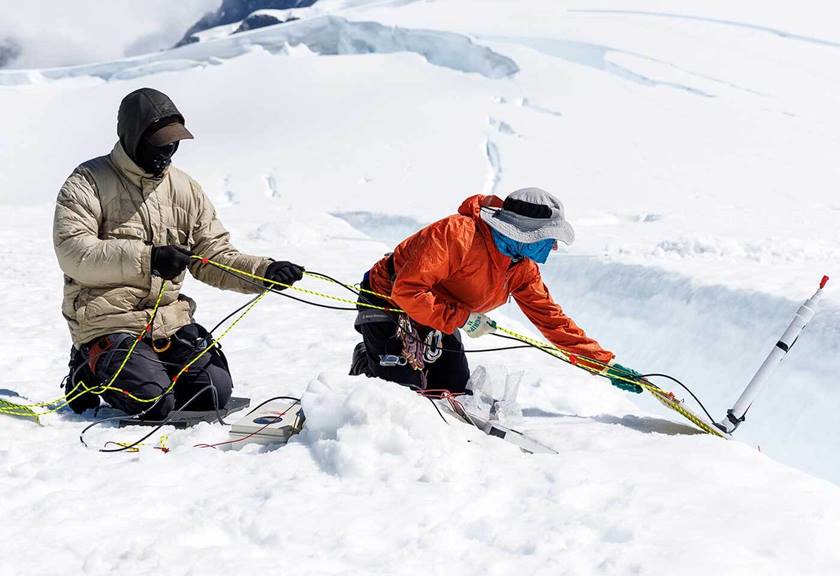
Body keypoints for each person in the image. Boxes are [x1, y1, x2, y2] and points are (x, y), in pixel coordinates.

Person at [54, 87, 305, 419]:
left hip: (168, 322)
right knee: (152, 402)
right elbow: (75, 254)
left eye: (174, 141)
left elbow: (212, 254)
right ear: (134, 137)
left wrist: (264, 271)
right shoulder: (87, 182)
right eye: (160, 142)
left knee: (214, 392)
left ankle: (154, 370)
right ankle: (87, 369)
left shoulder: (185, 188)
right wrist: (149, 260)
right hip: (106, 320)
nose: (169, 150)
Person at [349, 187, 642, 394]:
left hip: (440, 313)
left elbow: (552, 320)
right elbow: (407, 291)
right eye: (549, 238)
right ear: (524, 233)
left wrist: (604, 364)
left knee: (452, 391)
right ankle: (368, 360)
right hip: (388, 304)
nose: (554, 246)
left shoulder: (521, 267)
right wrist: (464, 319)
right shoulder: (457, 235)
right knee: (403, 397)